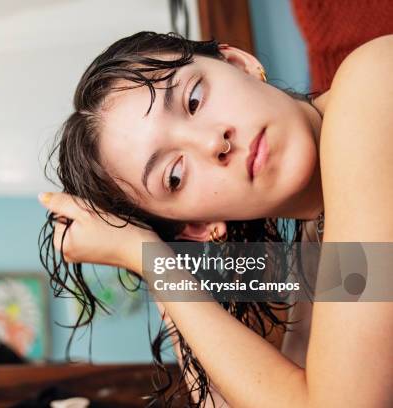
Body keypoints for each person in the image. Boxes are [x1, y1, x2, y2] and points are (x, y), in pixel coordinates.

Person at [37, 31, 393, 407]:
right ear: (199, 226)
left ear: (240, 64)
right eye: (174, 176)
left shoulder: (372, 84)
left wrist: (150, 259)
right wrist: (151, 258)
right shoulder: (318, 243)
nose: (213, 143)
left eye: (194, 99)